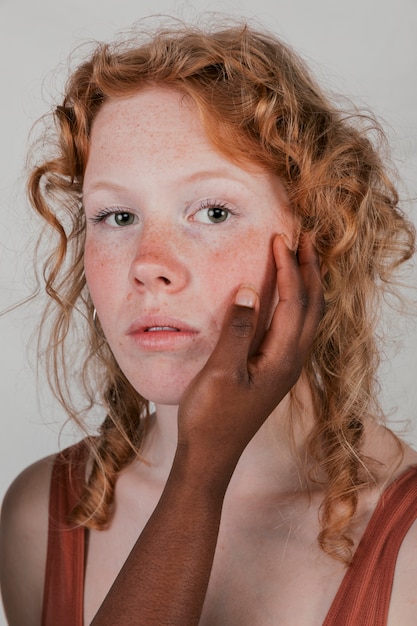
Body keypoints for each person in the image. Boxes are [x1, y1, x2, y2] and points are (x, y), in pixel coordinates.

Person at [0, 18, 416, 626]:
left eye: (214, 211)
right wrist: (198, 477)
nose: (149, 265)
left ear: (318, 237)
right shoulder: (41, 517)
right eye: (116, 216)